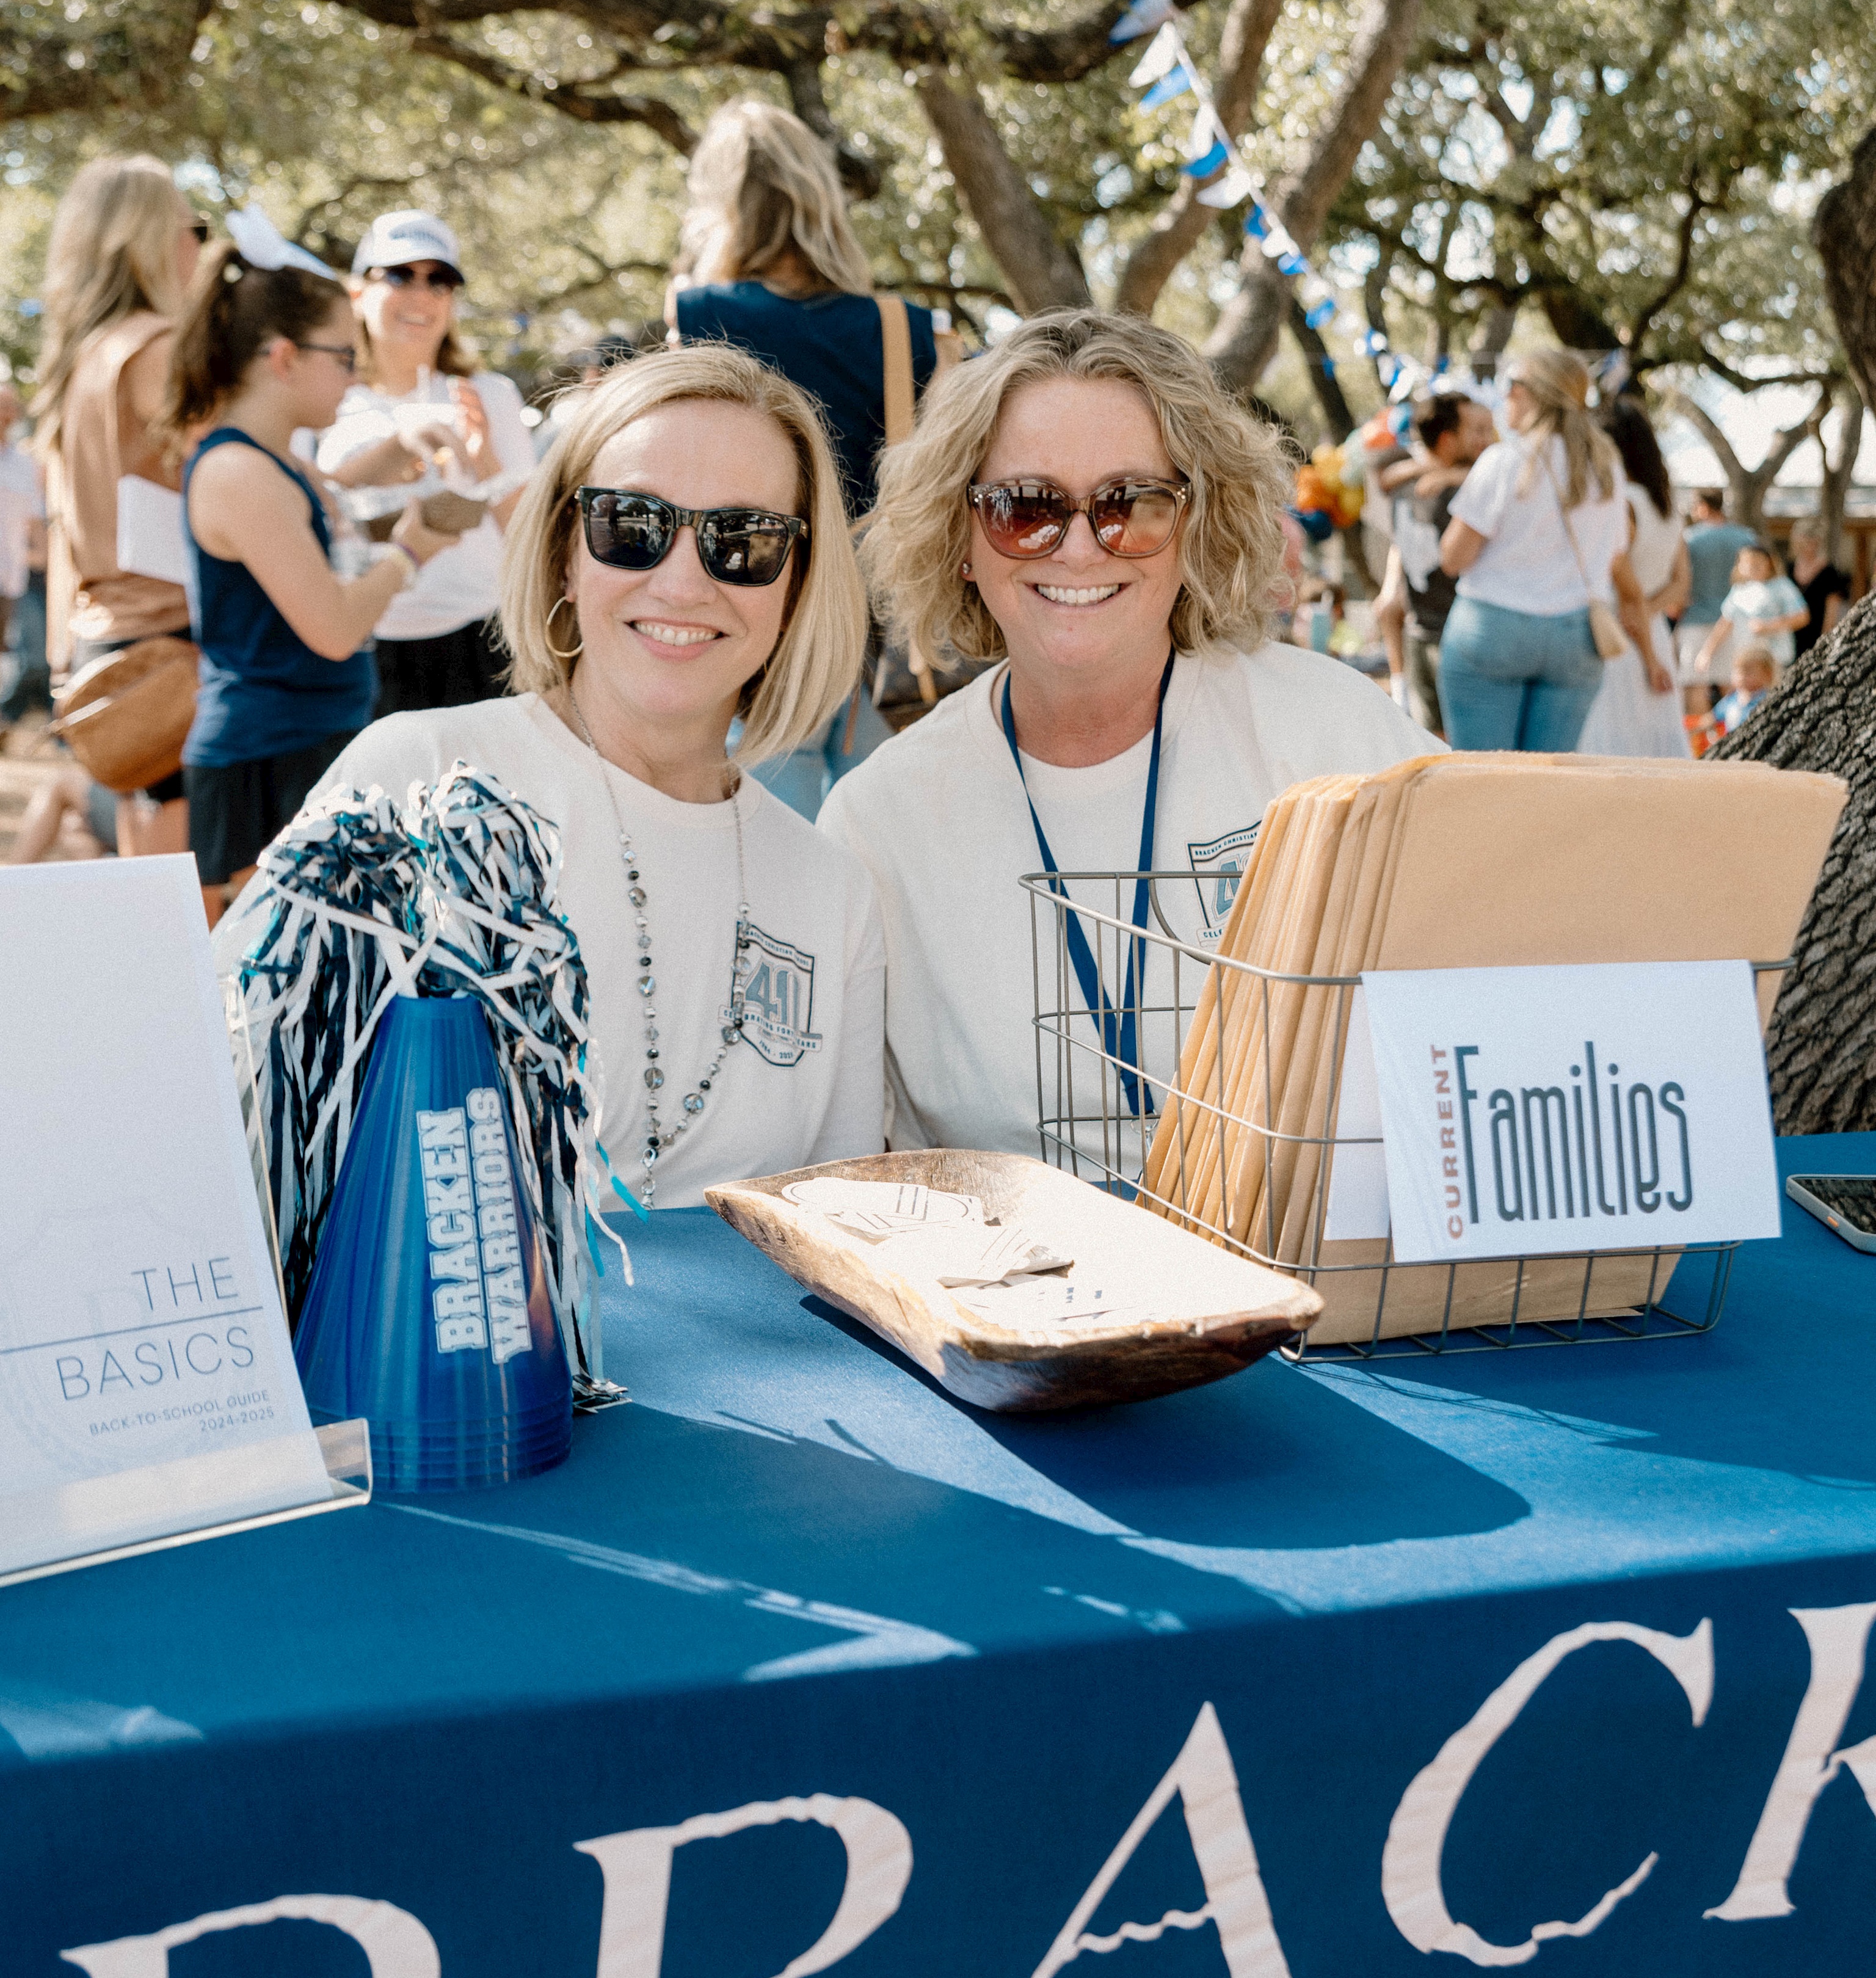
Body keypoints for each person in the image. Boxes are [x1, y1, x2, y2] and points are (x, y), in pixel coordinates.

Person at [219, 344, 884, 1207]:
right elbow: (215, 1093)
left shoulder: (832, 893)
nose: (682, 581)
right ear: (567, 548)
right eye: (632, 525)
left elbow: (842, 1231)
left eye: (744, 540)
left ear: (797, 583)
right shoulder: (412, 781)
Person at [818, 308, 1430, 1160]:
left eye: (1132, 504)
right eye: (1025, 507)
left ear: (1195, 525)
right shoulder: (876, 824)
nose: (1078, 548)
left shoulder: (1338, 736)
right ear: (961, 537)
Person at [668, 102, 957, 815]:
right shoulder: (908, 327)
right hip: (870, 642)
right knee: (881, 839)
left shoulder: (697, 315)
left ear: (723, 204)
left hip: (750, 626)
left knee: (766, 866)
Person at [163, 243, 451, 915]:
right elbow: (334, 629)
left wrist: (401, 452)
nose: (355, 377)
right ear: (284, 356)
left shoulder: (270, 460)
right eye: (345, 356)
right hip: (268, 761)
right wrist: (409, 554)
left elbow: (329, 499)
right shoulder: (242, 472)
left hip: (297, 744)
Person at [31, 155, 205, 851]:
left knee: (151, 879)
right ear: (154, 238)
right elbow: (230, 479)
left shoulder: (86, 358)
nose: (202, 244)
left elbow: (68, 524)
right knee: (184, 895)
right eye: (193, 225)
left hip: (111, 636)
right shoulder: (155, 349)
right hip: (169, 640)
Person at [315, 210, 537, 715]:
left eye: (439, 281)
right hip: (369, 651)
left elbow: (527, 542)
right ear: (359, 292)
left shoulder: (490, 395)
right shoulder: (324, 401)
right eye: (399, 275)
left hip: (482, 647)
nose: (421, 295)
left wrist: (484, 463)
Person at [1434, 347, 1628, 754]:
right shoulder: (1608, 469)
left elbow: (1454, 559)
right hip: (1576, 634)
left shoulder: (1504, 461)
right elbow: (1613, 555)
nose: (1503, 397)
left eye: (1510, 386)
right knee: (1544, 787)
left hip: (1493, 628)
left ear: (1530, 394)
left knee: (1483, 781)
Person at [1370, 388, 1495, 735]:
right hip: (1449, 633)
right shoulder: (1456, 491)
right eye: (1473, 429)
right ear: (1448, 438)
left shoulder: (1408, 484)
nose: (1482, 438)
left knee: (1437, 743)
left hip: (1433, 631)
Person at [1575, 399, 1691, 758]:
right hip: (1652, 630)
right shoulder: (1668, 506)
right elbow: (1681, 583)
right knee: (1654, 745)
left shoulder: (1620, 503)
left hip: (1617, 637)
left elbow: (1624, 583)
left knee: (1612, 745)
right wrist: (1649, 612)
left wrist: (1636, 617)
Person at [0, 382, 51, 738]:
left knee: (24, 656)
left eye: (11, 407)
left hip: (13, 576)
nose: (8, 413)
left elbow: (35, 520)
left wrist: (45, 559)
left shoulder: (23, 464)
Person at [1676, 487, 1756, 704]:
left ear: (1703, 507)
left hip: (1695, 618)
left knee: (1695, 684)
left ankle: (1699, 739)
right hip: (1736, 620)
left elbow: (1679, 581)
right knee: (1734, 684)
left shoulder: (1689, 539)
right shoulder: (1746, 537)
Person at [1693, 538, 1808, 685]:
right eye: (1748, 563)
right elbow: (1726, 622)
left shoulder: (1781, 587)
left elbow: (1802, 616)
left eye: (1758, 563)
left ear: (1769, 563)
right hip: (1746, 658)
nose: (1753, 567)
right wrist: (1707, 652)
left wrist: (1769, 626)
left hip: (1774, 659)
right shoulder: (1739, 591)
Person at [1787, 517, 1850, 658]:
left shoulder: (1829, 572)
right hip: (1789, 640)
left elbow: (1832, 613)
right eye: (1805, 541)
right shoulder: (1789, 568)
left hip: (1816, 637)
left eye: (1813, 541)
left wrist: (1823, 645)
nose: (1810, 546)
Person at [1706, 639, 1778, 740]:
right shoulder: (1731, 699)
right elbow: (1712, 718)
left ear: (1767, 675)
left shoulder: (1767, 700)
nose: (1742, 677)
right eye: (1738, 672)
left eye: (1749, 672)